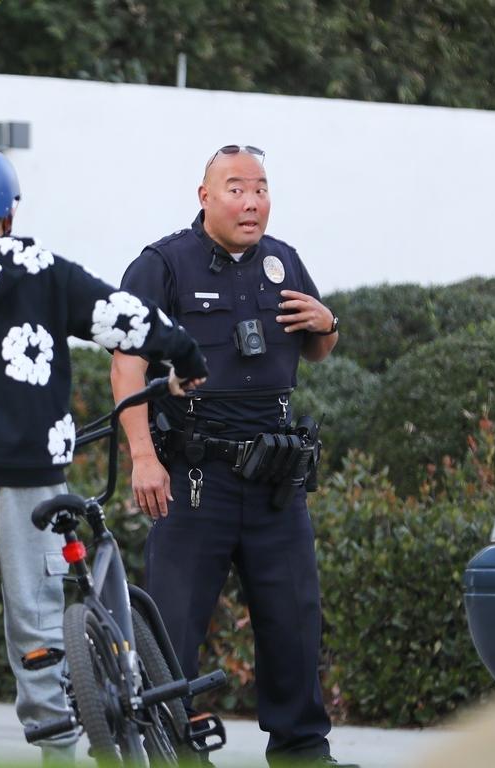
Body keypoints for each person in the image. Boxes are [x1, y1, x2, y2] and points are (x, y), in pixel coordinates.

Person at [0, 145, 207, 763]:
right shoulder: (46, 273)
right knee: (36, 613)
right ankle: (55, 747)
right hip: (35, 478)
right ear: (10, 210)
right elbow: (122, 318)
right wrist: (185, 355)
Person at [111, 144, 353, 767]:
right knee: (175, 624)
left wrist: (329, 323)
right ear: (205, 196)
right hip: (195, 474)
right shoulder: (164, 264)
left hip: (275, 475)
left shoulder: (283, 261)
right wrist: (143, 455)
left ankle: (302, 750)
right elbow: (126, 361)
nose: (252, 202)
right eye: (237, 188)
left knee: (294, 619)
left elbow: (317, 348)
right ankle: (175, 748)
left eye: (261, 188)